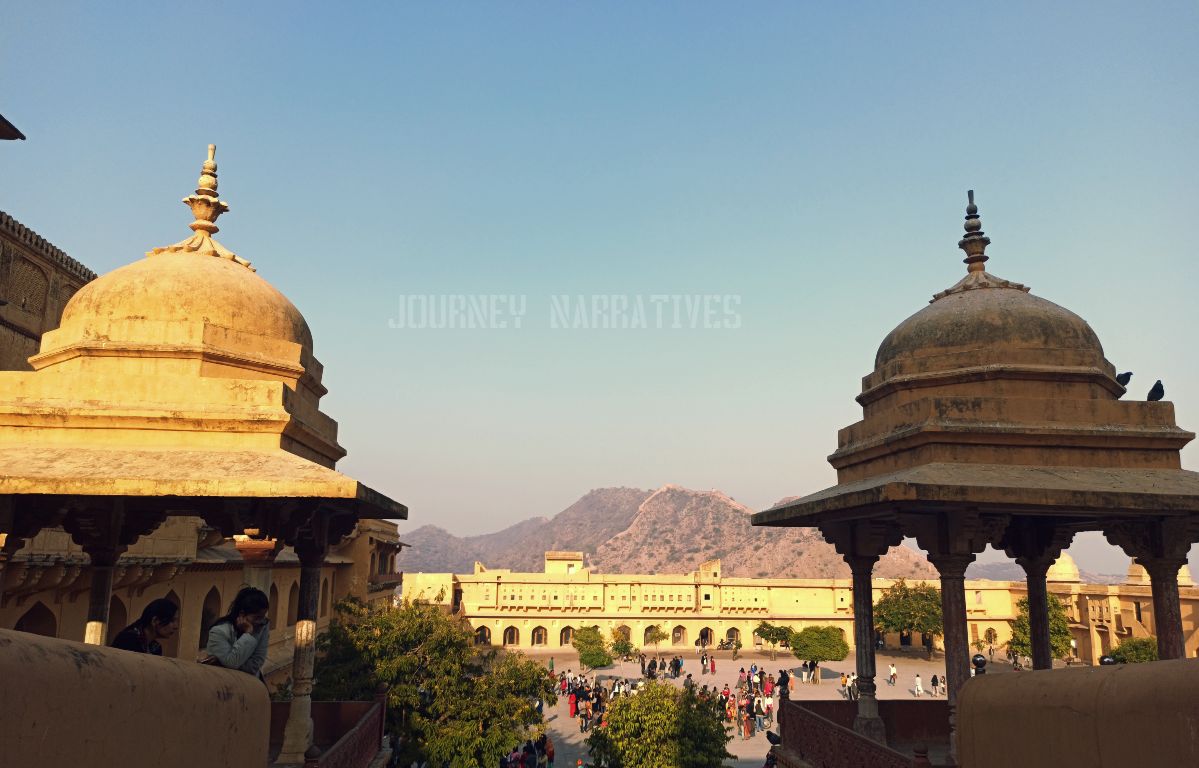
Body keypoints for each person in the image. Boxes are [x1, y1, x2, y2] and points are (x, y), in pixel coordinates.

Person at [205, 587, 270, 677]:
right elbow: (232, 663)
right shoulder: (219, 632)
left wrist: (224, 664)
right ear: (242, 614)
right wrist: (248, 635)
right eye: (257, 618)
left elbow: (256, 662)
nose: (261, 621)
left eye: (263, 617)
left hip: (249, 684)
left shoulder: (262, 626)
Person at [110, 598, 180, 655]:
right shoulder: (127, 641)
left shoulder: (155, 648)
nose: (176, 626)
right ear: (155, 621)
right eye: (172, 620)